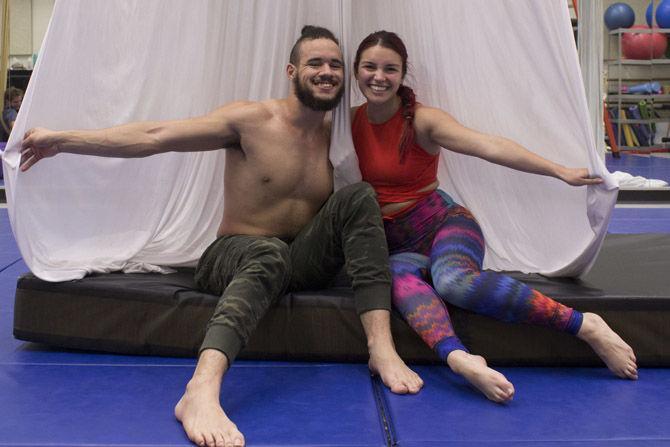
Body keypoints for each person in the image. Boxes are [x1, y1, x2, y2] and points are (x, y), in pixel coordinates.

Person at [19, 26, 423, 447]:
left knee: (360, 196)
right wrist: (62, 140)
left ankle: (381, 349)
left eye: (335, 64)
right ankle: (200, 390)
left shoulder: (334, 131)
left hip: (299, 259)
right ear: (292, 71)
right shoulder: (251, 120)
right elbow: (154, 136)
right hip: (234, 254)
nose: (327, 71)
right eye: (315, 63)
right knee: (268, 253)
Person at [350, 30, 638, 404]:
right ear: (356, 71)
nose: (379, 77)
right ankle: (461, 359)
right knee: (399, 283)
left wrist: (558, 171)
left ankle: (586, 326)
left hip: (445, 224)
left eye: (390, 69)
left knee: (452, 282)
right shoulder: (348, 122)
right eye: (370, 67)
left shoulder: (422, 121)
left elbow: (490, 146)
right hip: (397, 244)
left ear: (403, 74)